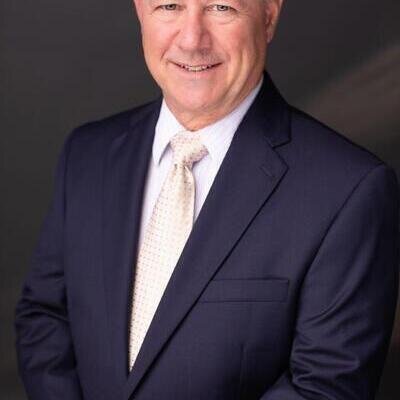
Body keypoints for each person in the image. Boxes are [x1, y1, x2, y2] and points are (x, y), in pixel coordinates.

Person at [15, 0, 399, 399]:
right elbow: (45, 315)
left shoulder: (349, 191)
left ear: (269, 15)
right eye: (170, 5)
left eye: (221, 7)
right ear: (140, 9)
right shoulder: (87, 154)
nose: (192, 39)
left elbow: (322, 388)